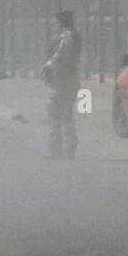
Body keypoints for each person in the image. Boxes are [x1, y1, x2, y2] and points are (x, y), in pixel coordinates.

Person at [41, 9, 82, 160]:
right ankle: (62, 149)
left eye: (56, 22)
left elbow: (60, 56)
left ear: (61, 22)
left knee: (58, 115)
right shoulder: (70, 36)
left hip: (62, 81)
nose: (55, 25)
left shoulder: (68, 37)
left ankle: (63, 150)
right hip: (65, 81)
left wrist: (48, 66)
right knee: (61, 115)